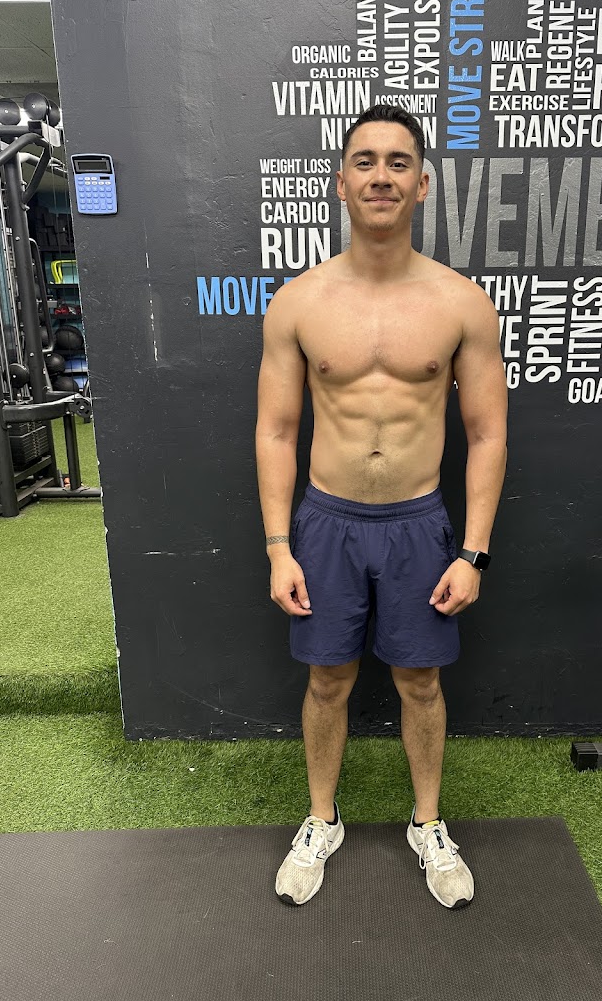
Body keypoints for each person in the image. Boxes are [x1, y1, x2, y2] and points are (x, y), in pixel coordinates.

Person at [255, 104, 507, 909]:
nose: (381, 176)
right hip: (326, 523)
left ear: (423, 184)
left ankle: (427, 824)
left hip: (418, 525)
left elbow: (488, 434)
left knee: (420, 681)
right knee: (327, 679)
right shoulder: (299, 302)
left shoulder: (461, 302)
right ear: (342, 182)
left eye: (399, 163)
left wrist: (472, 552)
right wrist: (278, 547)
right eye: (365, 161)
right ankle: (321, 819)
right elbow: (276, 430)